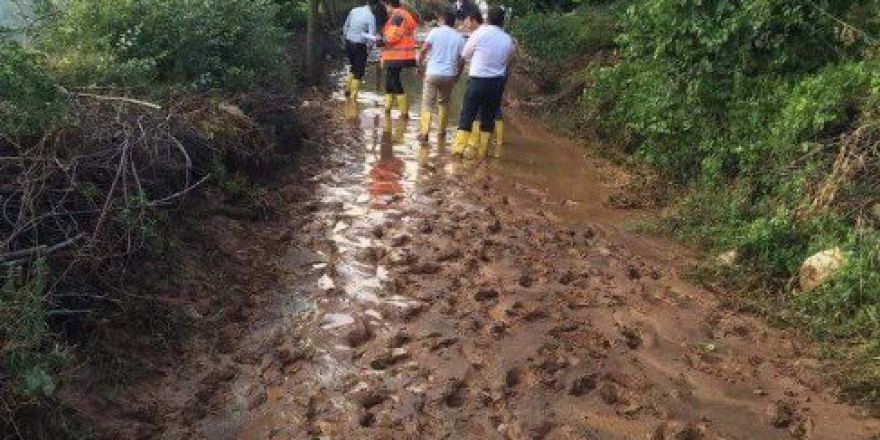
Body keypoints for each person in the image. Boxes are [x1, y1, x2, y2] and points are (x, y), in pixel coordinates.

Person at [452, 6, 515, 160]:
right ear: (503, 21)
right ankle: (483, 152)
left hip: (477, 82)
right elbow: (510, 60)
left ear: (487, 19)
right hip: (496, 84)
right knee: (488, 118)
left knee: (467, 114)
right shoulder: (508, 39)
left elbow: (463, 56)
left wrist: (456, 75)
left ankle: (458, 151)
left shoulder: (478, 34)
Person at [417, 9, 466, 145]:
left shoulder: (434, 32)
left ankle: (425, 133)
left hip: (432, 73)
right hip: (449, 74)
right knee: (444, 102)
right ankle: (441, 131)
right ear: (453, 23)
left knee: (427, 103)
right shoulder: (460, 38)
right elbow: (462, 60)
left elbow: (423, 50)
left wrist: (420, 66)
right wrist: (457, 75)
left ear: (441, 20)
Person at [380, 0, 418, 118]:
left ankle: (404, 112)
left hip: (396, 54)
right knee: (390, 78)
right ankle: (387, 109)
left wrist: (381, 40)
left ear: (389, 5)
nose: (385, 9)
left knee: (394, 79)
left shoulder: (398, 16)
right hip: (399, 54)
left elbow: (393, 36)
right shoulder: (403, 15)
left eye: (385, 6)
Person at [342, 0, 377, 101]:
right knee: (359, 71)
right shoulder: (371, 16)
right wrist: (369, 49)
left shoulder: (354, 10)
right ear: (374, 6)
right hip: (359, 46)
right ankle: (353, 98)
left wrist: (346, 39)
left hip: (349, 43)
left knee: (354, 67)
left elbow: (345, 27)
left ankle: (347, 90)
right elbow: (371, 37)